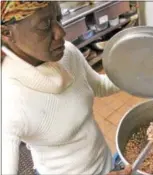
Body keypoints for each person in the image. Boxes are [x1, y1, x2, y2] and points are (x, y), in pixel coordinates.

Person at [1, 1, 132, 175]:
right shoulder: (9, 100)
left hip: (105, 163)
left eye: (58, 18)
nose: (61, 32)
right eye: (44, 25)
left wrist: (137, 73)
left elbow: (99, 86)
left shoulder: (68, 54)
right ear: (6, 33)